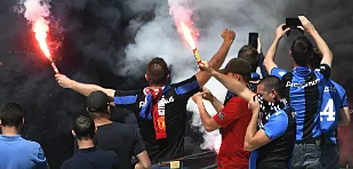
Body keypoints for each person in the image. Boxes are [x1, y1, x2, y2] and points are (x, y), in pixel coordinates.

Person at [55, 29, 236, 162]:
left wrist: (71, 84)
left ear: (146, 78)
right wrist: (227, 42)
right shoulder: (179, 91)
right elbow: (210, 69)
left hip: (150, 163)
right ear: (167, 77)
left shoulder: (136, 98)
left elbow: (102, 92)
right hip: (177, 162)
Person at [263, 16, 334, 169]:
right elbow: (328, 55)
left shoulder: (284, 78)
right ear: (310, 56)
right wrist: (312, 31)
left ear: (290, 54)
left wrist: (277, 38)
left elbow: (267, 61)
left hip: (290, 145)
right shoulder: (319, 77)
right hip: (313, 145)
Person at [200, 60, 295, 169]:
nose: (256, 98)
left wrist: (255, 114)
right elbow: (240, 89)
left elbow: (249, 144)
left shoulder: (280, 118)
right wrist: (212, 72)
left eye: (260, 95)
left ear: (273, 93)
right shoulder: (271, 104)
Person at [192, 58, 254, 168]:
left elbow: (209, 125)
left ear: (236, 77)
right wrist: (212, 99)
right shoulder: (252, 98)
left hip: (234, 163)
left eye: (227, 76)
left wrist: (199, 103)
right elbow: (229, 116)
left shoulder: (238, 102)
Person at [85, 90, 151, 169]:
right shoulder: (128, 130)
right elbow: (145, 165)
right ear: (108, 108)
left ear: (88, 110)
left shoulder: (84, 136)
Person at [309, 48, 350, 169]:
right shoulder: (339, 88)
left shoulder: (305, 85)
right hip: (331, 144)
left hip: (310, 144)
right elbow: (346, 120)